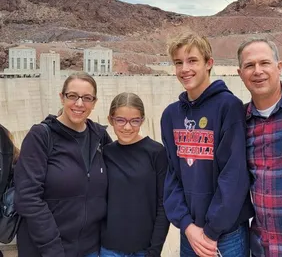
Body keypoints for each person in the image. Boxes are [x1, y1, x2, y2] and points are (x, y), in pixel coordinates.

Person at [161, 32, 254, 257]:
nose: (185, 69)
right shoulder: (171, 115)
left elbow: (234, 175)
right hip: (190, 234)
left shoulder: (228, 107)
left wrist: (211, 231)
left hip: (226, 235)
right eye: (178, 63)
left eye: (192, 60)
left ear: (209, 63)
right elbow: (173, 174)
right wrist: (187, 226)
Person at [14, 72, 112, 257]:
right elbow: (27, 198)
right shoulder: (41, 136)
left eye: (87, 98)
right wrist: (53, 249)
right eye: (72, 96)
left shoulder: (99, 137)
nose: (79, 104)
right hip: (46, 250)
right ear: (62, 97)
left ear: (94, 102)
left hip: (91, 249)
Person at [237, 37, 282, 256]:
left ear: (279, 67)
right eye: (249, 65)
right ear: (240, 73)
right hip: (265, 249)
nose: (257, 71)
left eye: (264, 63)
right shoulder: (240, 121)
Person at [100, 92, 170, 257]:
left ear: (142, 120)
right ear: (110, 120)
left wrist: (155, 250)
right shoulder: (105, 153)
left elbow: (163, 205)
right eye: (120, 120)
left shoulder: (157, 153)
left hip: (144, 249)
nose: (127, 127)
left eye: (134, 121)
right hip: (108, 249)